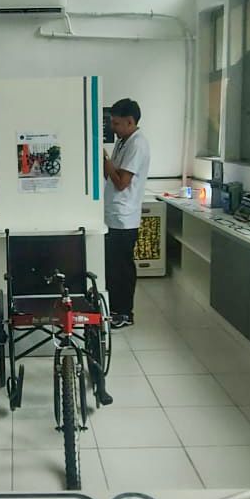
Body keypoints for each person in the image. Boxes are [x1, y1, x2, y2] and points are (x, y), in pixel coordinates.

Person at [103, 97, 150, 329]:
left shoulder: (137, 144)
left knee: (122, 269)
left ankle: (124, 313)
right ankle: (113, 310)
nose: (113, 128)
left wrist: (106, 163)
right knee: (112, 267)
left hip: (124, 218)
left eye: (116, 123)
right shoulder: (123, 141)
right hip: (114, 214)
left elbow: (122, 183)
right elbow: (110, 175)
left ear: (130, 121)